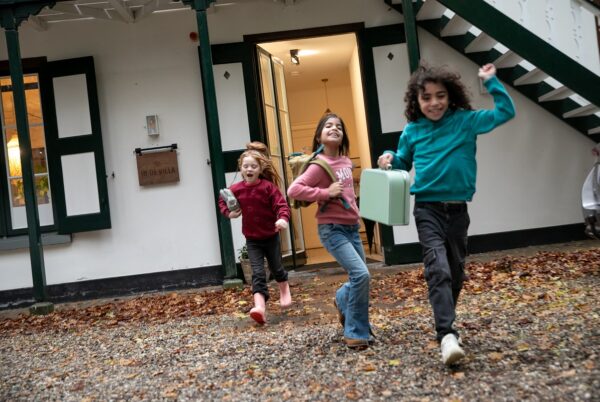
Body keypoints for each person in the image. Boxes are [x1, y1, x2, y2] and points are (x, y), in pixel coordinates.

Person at [377, 63, 516, 365]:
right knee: (437, 269)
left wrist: (491, 82)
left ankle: (446, 322)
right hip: (427, 209)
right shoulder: (413, 130)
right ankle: (446, 334)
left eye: (440, 95)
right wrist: (390, 158)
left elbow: (505, 112)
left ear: (450, 95)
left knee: (455, 272)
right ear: (416, 101)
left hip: (458, 211)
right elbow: (403, 162)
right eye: (426, 97)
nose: (434, 102)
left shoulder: (465, 121)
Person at [288, 113, 372, 349]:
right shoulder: (319, 166)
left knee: (361, 277)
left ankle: (342, 298)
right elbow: (294, 190)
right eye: (328, 126)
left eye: (339, 127)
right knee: (361, 275)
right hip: (332, 229)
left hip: (352, 228)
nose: (334, 129)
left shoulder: (346, 162)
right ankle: (355, 332)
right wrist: (325, 193)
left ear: (343, 136)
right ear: (319, 136)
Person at [218, 142, 292, 325]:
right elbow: (222, 200)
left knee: (276, 267)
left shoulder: (268, 187)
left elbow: (281, 205)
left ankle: (284, 289)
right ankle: (259, 307)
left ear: (260, 169)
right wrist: (229, 213)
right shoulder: (236, 189)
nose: (249, 169)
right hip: (252, 239)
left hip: (271, 236)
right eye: (246, 166)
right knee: (257, 272)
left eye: (253, 166)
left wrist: (282, 219)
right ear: (240, 168)